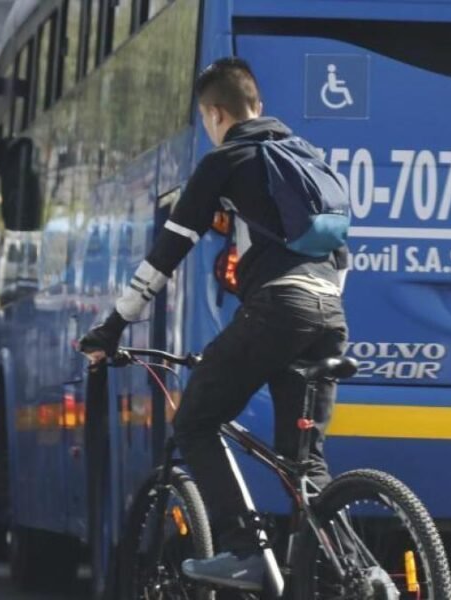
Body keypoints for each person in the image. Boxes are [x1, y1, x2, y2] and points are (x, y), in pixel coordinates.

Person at [79, 57, 349, 592]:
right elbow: (339, 258)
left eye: (207, 120)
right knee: (305, 463)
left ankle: (244, 550)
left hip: (278, 309)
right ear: (259, 106)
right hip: (330, 312)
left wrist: (112, 327)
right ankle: (346, 576)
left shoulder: (225, 161)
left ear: (215, 113)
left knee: (196, 423)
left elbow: (168, 251)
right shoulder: (309, 158)